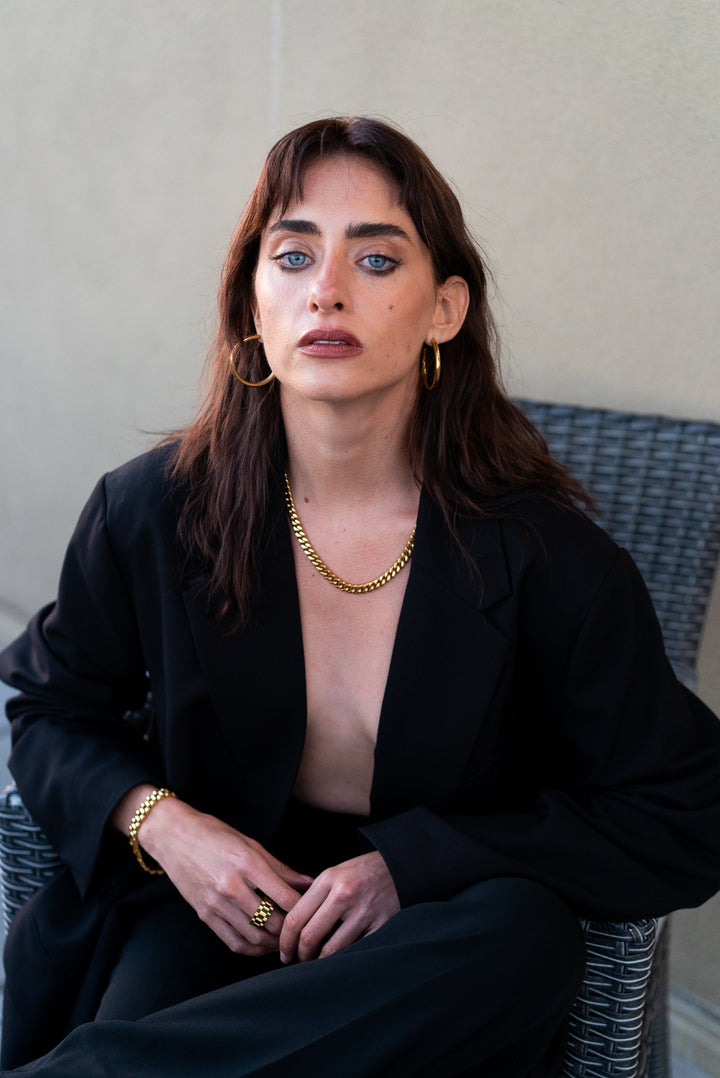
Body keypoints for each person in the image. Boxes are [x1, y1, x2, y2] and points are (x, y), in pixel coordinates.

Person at [1, 116, 720, 1078]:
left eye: (376, 260)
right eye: (293, 256)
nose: (327, 289)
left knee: (520, 936)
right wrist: (166, 826)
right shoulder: (152, 511)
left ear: (445, 310)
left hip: (436, 927)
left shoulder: (550, 558)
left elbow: (684, 808)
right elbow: (50, 708)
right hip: (220, 899)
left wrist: (413, 865)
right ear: (252, 304)